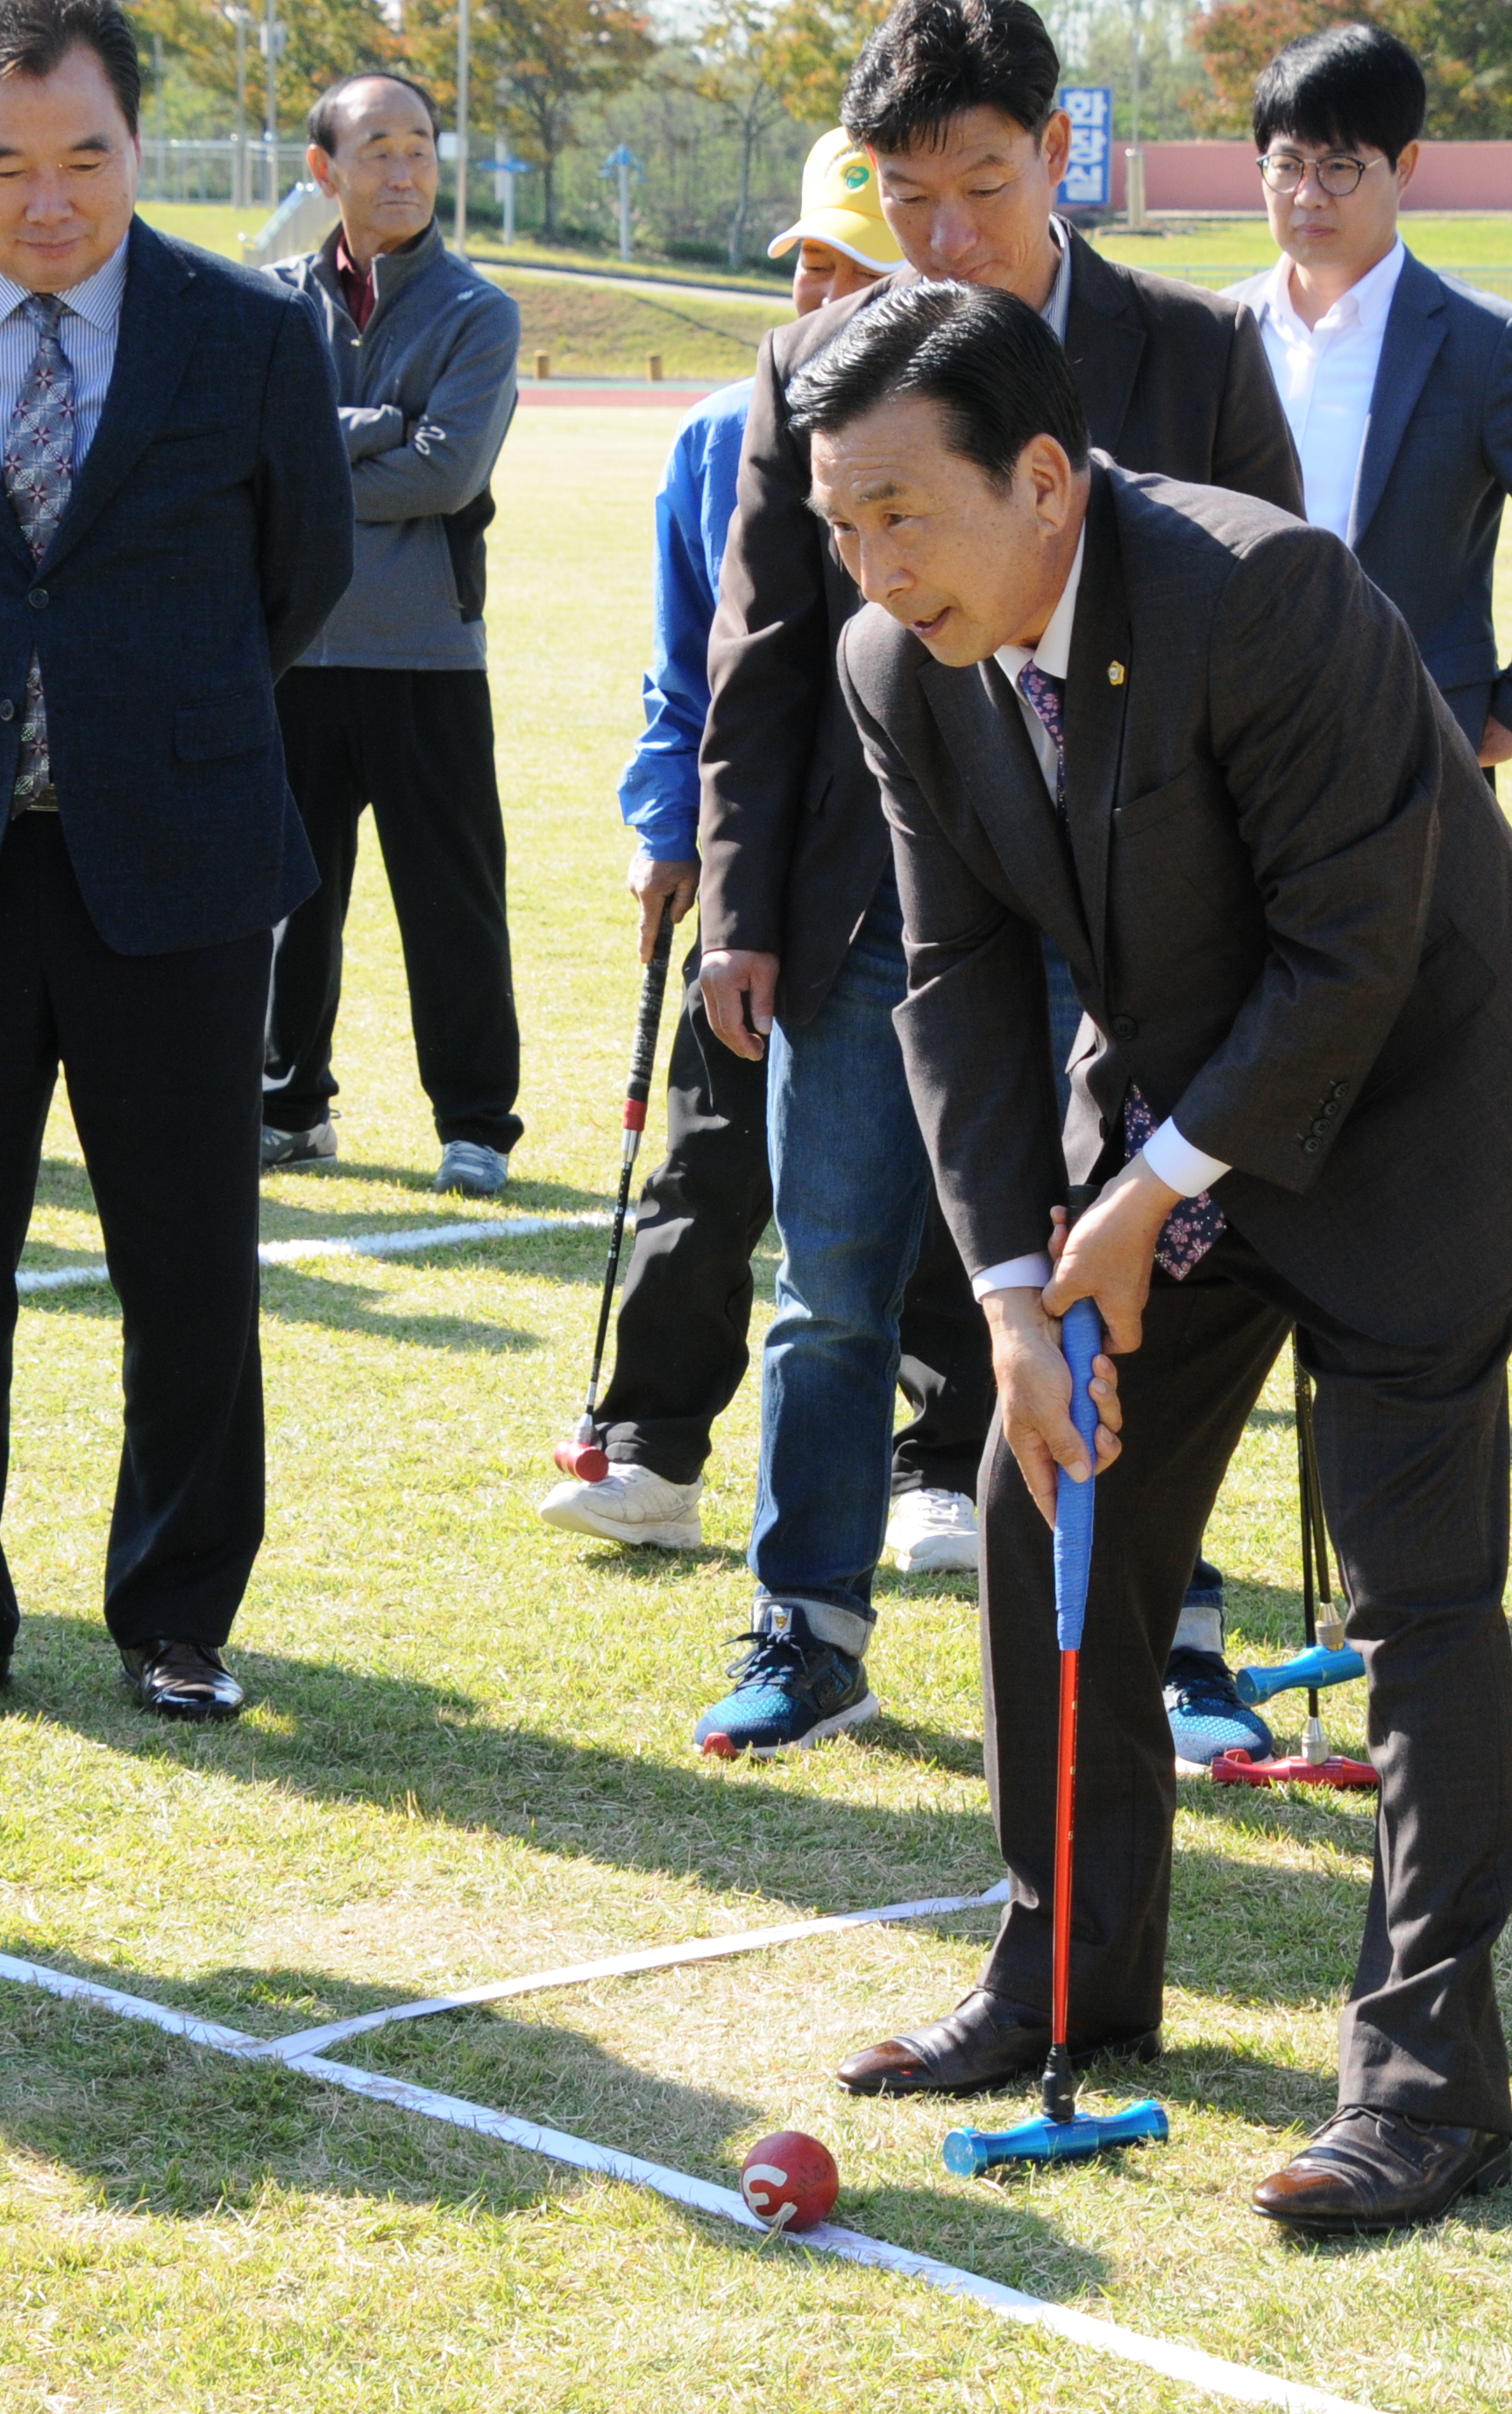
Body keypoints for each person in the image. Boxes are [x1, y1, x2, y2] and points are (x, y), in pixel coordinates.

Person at [798, 283, 1512, 2232]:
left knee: (1418, 1587)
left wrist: (1150, 1187)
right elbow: (955, 978)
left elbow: (1350, 955)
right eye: (840, 520)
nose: (873, 559)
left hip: (1423, 1098)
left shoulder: (1271, 593)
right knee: (1039, 1485)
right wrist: (1012, 1288)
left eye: (905, 509)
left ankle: (1429, 2084)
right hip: (1175, 1108)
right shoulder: (892, 660)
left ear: (1049, 477)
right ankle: (1062, 1962)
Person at [686, 0, 1300, 1761]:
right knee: (829, 1279)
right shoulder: (814, 365)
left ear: (1054, 151)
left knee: (1143, 1277)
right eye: (904, 196)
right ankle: (804, 1624)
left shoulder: (1189, 350)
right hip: (876, 909)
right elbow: (764, 654)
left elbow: (1274, 617)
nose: (942, 235)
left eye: (980, 182)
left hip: (1137, 917)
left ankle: (1170, 1638)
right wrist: (738, 903)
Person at [0, 0, 352, 1738]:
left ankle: (176, 1612)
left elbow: (300, 571)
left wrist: (134, 717)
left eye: (87, 156)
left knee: (187, 1258)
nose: (50, 200)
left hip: (172, 856)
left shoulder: (245, 328)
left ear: (139, 149)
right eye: (5, 161)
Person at [537, 129, 919, 1558]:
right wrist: (663, 826)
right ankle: (646, 1438)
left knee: (940, 1170)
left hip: (939, 862)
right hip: (768, 859)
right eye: (808, 264)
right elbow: (683, 671)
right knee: (711, 1149)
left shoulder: (965, 423)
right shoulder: (717, 437)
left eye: (854, 270)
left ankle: (933, 1456)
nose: (821, 292)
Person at [259, 70, 527, 1198]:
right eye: (377, 148)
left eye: (420, 144)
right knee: (284, 897)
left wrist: (314, 452)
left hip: (424, 656)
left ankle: (474, 1123)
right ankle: (287, 1106)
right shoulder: (265, 304)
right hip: (287, 652)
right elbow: (243, 457)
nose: (406, 168)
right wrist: (379, 429)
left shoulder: (478, 311)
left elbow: (448, 468)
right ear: (325, 171)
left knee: (450, 898)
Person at [1222, 22, 1512, 777]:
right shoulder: (1215, 327)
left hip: (1414, 737)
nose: (1308, 194)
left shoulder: (1484, 344)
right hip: (1232, 734)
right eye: (1287, 165)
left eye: (1340, 166)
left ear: (1404, 165)